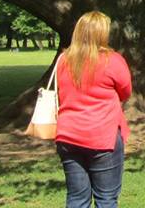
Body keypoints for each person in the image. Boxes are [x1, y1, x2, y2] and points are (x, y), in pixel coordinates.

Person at [55, 11, 133, 208]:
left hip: (68, 135)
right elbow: (125, 91)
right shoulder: (112, 60)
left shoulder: (64, 60)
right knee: (106, 198)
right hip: (102, 137)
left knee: (76, 198)